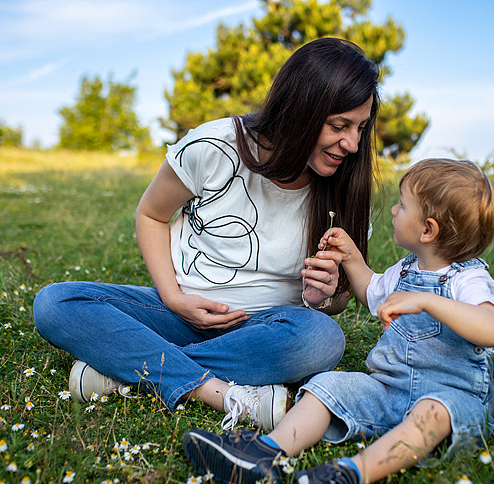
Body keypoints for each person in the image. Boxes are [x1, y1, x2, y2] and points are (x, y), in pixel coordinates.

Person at [33, 37, 380, 431]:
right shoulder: (214, 146)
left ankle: (125, 369)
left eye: (360, 128)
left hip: (266, 328)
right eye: (339, 126)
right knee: (56, 302)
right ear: (301, 109)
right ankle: (217, 391)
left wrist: (324, 297)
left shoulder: (347, 187)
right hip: (176, 314)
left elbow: (337, 303)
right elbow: (151, 215)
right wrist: (174, 298)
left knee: (321, 339)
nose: (351, 144)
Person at [182, 158, 494, 484]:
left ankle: (346, 476)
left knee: (431, 415)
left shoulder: (468, 278)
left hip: (450, 395)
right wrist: (351, 257)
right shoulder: (406, 269)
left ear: (428, 229)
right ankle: (266, 452)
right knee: (325, 386)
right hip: (389, 388)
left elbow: (490, 327)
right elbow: (371, 292)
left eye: (402, 205)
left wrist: (429, 301)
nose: (393, 210)